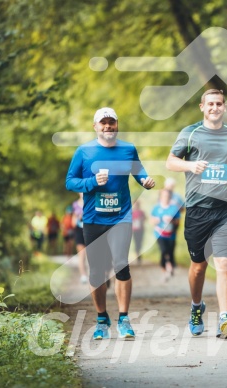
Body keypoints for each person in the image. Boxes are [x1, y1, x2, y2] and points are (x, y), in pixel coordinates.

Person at [166, 89, 227, 339]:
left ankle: (225, 318)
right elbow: (170, 161)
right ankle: (196, 307)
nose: (215, 107)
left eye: (219, 104)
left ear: (224, 107)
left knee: (224, 263)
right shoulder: (190, 133)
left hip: (225, 209)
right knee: (198, 268)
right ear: (202, 107)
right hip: (197, 209)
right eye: (210, 103)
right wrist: (190, 165)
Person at [66, 107, 155, 341]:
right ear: (95, 126)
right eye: (103, 123)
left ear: (117, 125)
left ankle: (124, 319)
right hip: (93, 218)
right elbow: (70, 182)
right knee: (96, 272)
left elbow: (138, 170)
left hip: (121, 217)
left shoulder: (128, 149)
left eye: (111, 122)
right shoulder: (84, 151)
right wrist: (91, 182)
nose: (108, 126)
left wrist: (144, 180)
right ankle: (102, 319)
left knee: (121, 265)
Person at [151, 189, 181, 280]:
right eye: (164, 196)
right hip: (159, 234)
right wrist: (155, 221)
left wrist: (171, 220)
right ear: (160, 197)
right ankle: (164, 270)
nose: (165, 198)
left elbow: (178, 222)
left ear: (170, 197)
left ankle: (170, 265)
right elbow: (151, 220)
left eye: (167, 196)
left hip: (171, 234)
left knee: (170, 252)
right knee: (163, 251)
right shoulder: (156, 208)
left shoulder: (174, 208)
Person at [72, 193, 88, 284]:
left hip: (91, 229)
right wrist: (79, 217)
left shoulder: (91, 201)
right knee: (82, 255)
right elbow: (73, 223)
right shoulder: (75, 205)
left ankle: (97, 274)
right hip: (79, 231)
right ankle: (83, 275)